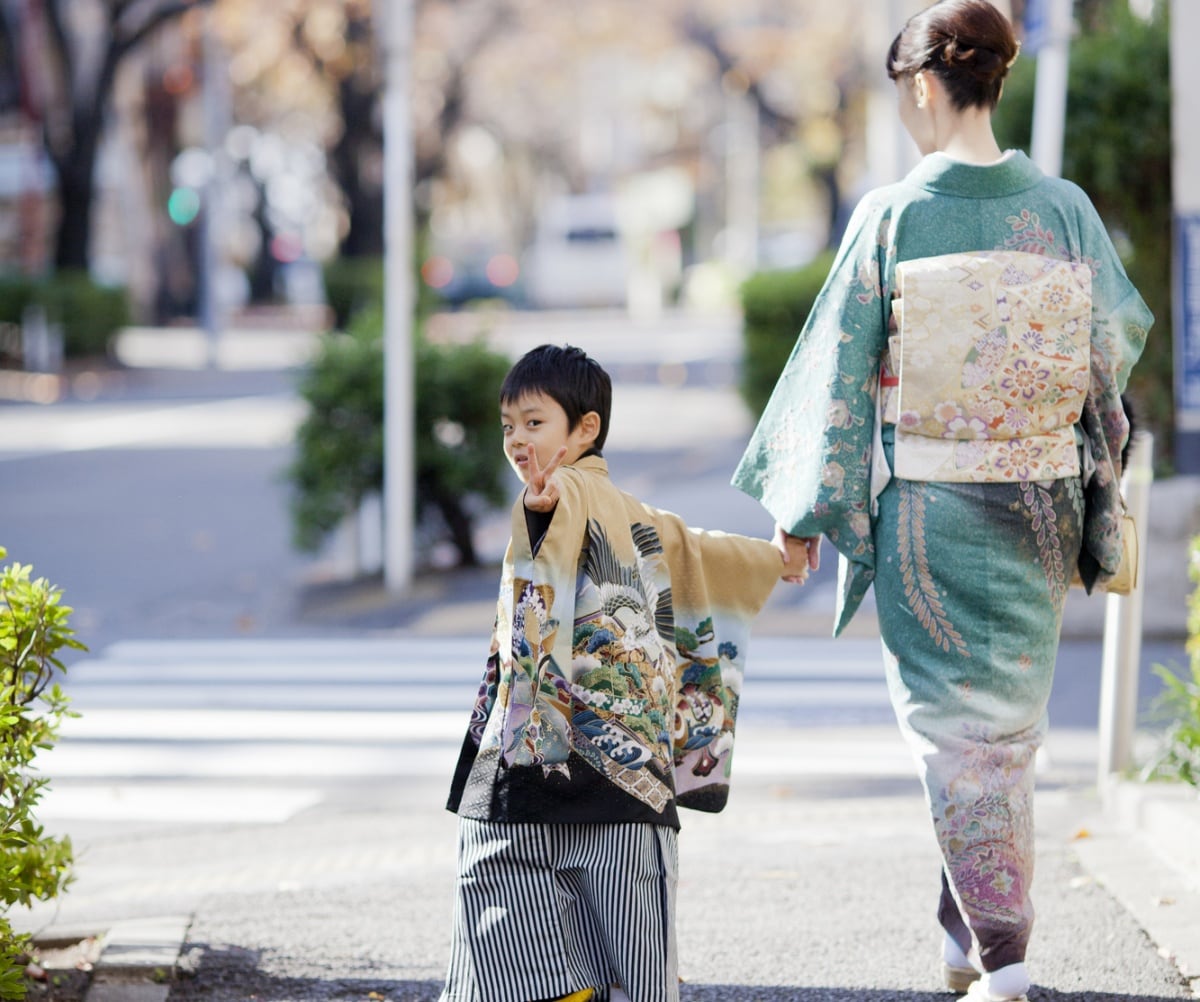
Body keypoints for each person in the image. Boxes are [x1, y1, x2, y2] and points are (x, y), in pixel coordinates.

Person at [732, 2, 1151, 1000]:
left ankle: (1004, 955)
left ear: (924, 85)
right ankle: (963, 929)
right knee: (1000, 734)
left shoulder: (892, 216)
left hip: (935, 509)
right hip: (1037, 509)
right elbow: (1109, 370)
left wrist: (797, 513)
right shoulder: (1064, 212)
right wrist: (1094, 471)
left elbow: (836, 372)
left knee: (956, 736)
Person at [439, 344, 812, 1002]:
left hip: (529, 772)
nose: (518, 441)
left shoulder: (565, 492)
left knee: (506, 949)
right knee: (634, 968)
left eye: (534, 422)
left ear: (586, 429)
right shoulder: (643, 520)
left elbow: (559, 504)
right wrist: (778, 559)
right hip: (627, 786)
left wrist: (545, 500)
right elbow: (708, 554)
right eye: (508, 427)